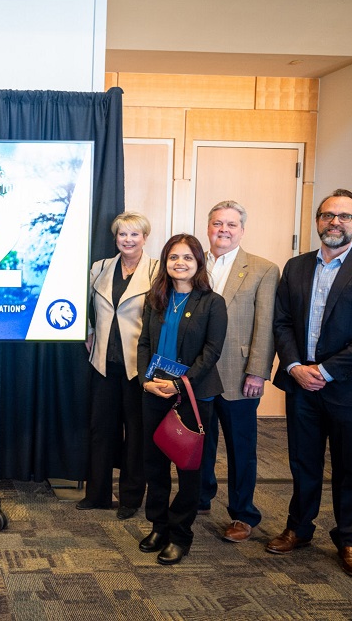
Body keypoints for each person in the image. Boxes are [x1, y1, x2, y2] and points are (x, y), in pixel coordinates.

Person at [266, 189, 352, 579]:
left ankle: (349, 539)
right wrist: (293, 366)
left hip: (349, 389)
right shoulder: (296, 267)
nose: (334, 222)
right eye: (327, 215)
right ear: (318, 221)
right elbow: (282, 323)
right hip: (300, 385)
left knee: (347, 468)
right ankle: (299, 529)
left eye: (344, 216)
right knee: (303, 462)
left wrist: (324, 371)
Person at [136, 234, 227, 565]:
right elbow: (144, 343)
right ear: (165, 262)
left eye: (187, 258)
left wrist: (179, 384)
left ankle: (181, 534)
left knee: (189, 468)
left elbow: (211, 352)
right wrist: (147, 381)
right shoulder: (155, 298)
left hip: (192, 395)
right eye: (173, 257)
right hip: (154, 392)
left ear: (198, 263)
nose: (180, 263)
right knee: (154, 463)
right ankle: (158, 526)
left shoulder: (212, 302)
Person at [197, 201, 279, 543]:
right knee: (200, 441)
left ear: (242, 230)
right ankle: (199, 498)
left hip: (238, 372)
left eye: (231, 225)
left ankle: (244, 514)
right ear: (208, 227)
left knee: (240, 448)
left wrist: (257, 372)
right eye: (218, 223)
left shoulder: (263, 269)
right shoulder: (192, 261)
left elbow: (266, 326)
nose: (224, 230)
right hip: (198, 371)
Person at [79, 212, 158, 518]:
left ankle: (130, 499)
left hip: (137, 367)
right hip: (103, 362)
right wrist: (87, 331)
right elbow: (80, 303)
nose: (128, 240)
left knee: (136, 435)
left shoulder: (155, 270)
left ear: (145, 238)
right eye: (122, 234)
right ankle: (97, 494)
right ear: (115, 238)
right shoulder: (100, 268)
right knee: (101, 431)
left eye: (134, 235)